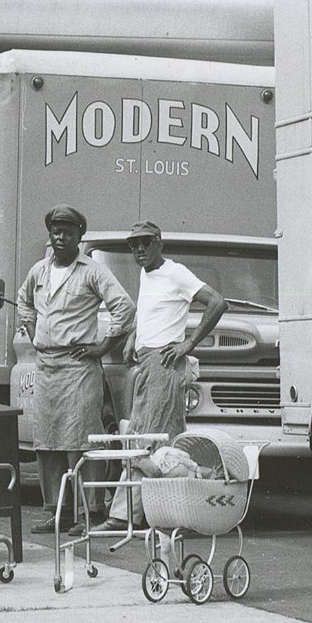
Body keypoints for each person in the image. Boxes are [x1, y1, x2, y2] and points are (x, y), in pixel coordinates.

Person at [100, 221, 228, 532]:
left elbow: (217, 302)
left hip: (164, 363)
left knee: (145, 439)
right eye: (133, 244)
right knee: (164, 441)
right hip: (148, 362)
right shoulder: (147, 274)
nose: (139, 249)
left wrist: (188, 343)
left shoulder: (175, 272)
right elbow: (151, 313)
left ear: (159, 242)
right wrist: (134, 337)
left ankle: (125, 515)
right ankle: (179, 511)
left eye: (145, 242)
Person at [14, 205, 133, 535]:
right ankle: (58, 512)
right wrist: (30, 323)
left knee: (81, 442)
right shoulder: (39, 270)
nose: (60, 237)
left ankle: (91, 513)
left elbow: (124, 309)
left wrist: (102, 347)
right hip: (45, 367)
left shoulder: (93, 272)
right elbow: (24, 301)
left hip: (79, 367)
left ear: (80, 236)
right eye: (55, 231)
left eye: (68, 231)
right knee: (47, 442)